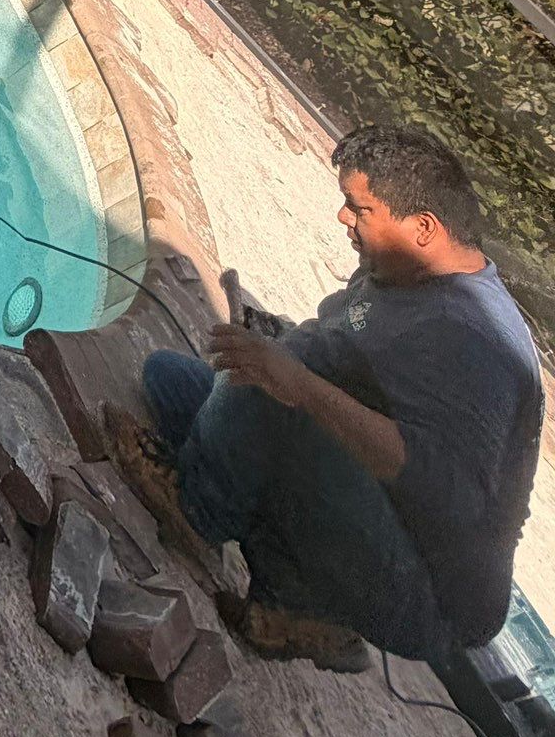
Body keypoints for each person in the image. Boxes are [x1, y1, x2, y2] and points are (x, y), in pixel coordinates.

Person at [115, 124, 543, 672]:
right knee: (170, 380)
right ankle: (291, 604)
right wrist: (279, 341)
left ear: (424, 227)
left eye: (359, 208)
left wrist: (300, 386)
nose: (345, 218)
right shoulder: (399, 268)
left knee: (273, 391)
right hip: (358, 491)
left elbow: (447, 494)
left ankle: (196, 509)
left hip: (427, 588)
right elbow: (348, 348)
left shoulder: (477, 343)